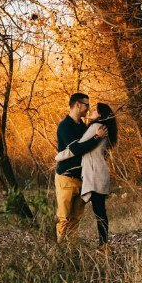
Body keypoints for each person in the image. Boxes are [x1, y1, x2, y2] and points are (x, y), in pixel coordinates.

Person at [54, 93, 108, 242]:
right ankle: (58, 250)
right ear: (78, 105)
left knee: (75, 219)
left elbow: (89, 149)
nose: (88, 109)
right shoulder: (65, 126)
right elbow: (77, 149)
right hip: (66, 178)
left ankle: (71, 250)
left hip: (82, 179)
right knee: (63, 217)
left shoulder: (83, 126)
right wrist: (96, 137)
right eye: (86, 105)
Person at [77, 103, 118, 247]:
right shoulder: (106, 129)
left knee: (96, 211)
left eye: (94, 110)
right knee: (100, 211)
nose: (91, 111)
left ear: (100, 115)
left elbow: (80, 146)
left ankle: (103, 244)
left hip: (94, 174)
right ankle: (103, 243)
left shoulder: (96, 127)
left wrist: (60, 157)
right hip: (101, 173)